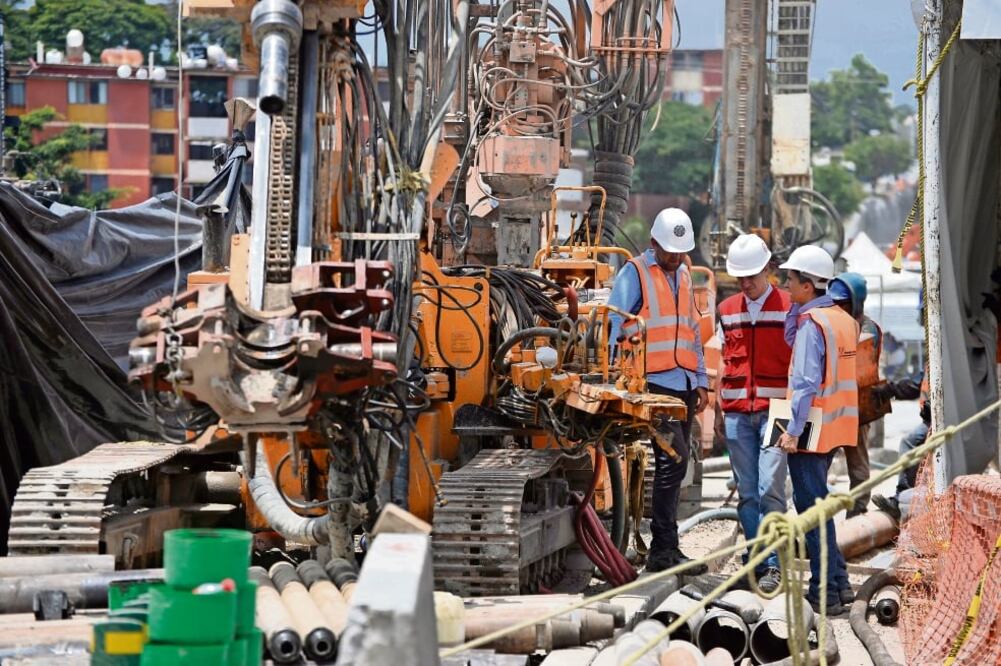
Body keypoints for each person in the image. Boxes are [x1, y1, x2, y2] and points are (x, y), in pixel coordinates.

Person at [608, 208, 710, 574]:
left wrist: (699, 379)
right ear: (653, 244)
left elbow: (693, 331)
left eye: (680, 252)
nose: (675, 258)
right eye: (669, 252)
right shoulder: (634, 273)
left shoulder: (683, 273)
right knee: (672, 463)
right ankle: (663, 549)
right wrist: (613, 377)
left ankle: (666, 548)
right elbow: (614, 323)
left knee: (676, 465)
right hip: (652, 385)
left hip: (681, 383)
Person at [778, 245, 857, 616]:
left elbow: (807, 382)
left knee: (812, 512)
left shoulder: (814, 325)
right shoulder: (841, 319)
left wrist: (793, 431)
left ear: (808, 285)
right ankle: (840, 586)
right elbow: (793, 343)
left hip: (811, 430)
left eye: (791, 280)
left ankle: (823, 592)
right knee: (821, 508)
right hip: (836, 427)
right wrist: (797, 309)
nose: (786, 285)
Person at [717, 234, 792, 593]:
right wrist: (719, 409)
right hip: (736, 414)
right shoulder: (727, 309)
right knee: (747, 492)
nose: (746, 284)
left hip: (777, 411)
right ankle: (757, 560)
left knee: (770, 490)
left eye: (752, 276)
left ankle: (773, 565)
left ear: (768, 270)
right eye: (740, 278)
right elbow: (721, 360)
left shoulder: (791, 307)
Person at [828, 272, 881, 517]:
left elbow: (859, 369)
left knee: (858, 465)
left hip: (858, 408)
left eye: (843, 303)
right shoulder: (832, 322)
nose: (838, 307)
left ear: (856, 302)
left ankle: (858, 512)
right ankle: (818, 515)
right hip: (831, 406)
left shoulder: (869, 330)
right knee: (819, 463)